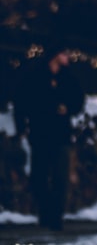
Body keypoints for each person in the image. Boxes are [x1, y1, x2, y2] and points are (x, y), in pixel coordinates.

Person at [13, 42, 86, 231]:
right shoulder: (36, 75)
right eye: (64, 54)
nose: (68, 58)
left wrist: (67, 108)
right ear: (55, 55)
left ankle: (55, 218)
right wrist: (22, 126)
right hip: (40, 133)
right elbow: (22, 101)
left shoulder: (68, 78)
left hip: (61, 135)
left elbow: (78, 100)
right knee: (39, 177)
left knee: (60, 178)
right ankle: (46, 214)